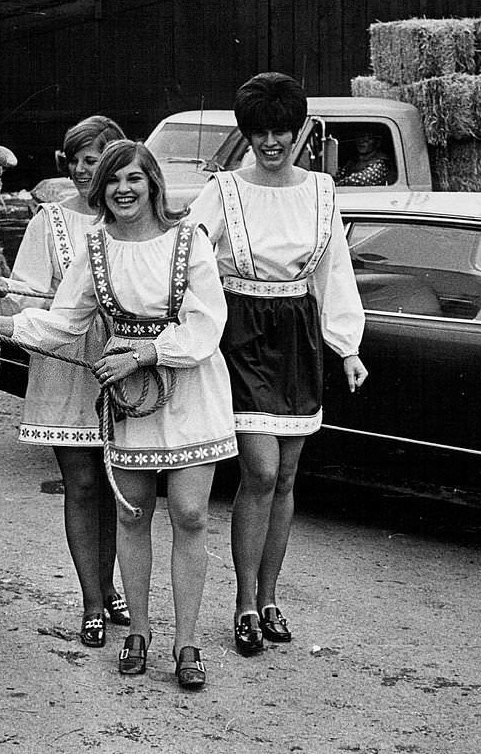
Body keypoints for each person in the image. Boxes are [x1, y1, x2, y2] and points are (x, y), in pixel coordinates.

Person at [0, 140, 237, 690]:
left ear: (154, 183)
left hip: (190, 390)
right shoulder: (95, 248)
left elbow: (207, 324)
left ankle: (188, 643)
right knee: (132, 515)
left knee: (189, 515)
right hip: (129, 398)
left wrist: (145, 353)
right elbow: (64, 323)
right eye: (113, 181)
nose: (123, 189)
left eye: (134, 178)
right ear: (102, 191)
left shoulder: (190, 242)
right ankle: (138, 633)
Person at [187, 72, 368, 658]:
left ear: (300, 131)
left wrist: (348, 348)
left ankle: (268, 597)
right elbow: (186, 258)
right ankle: (241, 603)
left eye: (281, 132)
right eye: (259, 132)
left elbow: (332, 271)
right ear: (245, 135)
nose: (270, 143)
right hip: (239, 337)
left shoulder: (321, 190)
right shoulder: (223, 192)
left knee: (287, 476)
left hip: (297, 339)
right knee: (259, 471)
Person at [0, 116, 131, 648]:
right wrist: (5, 291)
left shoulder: (133, 219)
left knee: (120, 487)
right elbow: (31, 295)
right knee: (82, 484)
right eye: (77, 158)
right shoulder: (50, 222)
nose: (86, 169)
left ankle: (114, 587)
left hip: (126, 367)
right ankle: (92, 602)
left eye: (96, 157)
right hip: (65, 366)